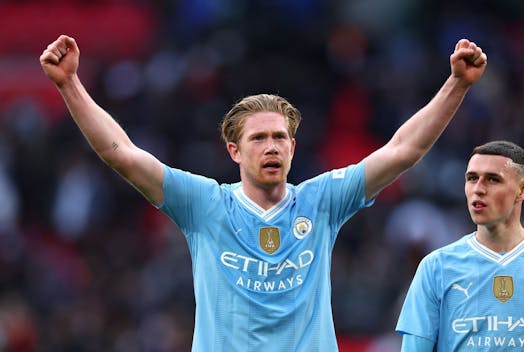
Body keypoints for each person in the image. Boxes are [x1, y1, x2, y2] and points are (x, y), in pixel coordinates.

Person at [40, 34, 486, 351]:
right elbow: (123, 154)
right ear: (234, 150)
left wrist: (457, 84)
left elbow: (403, 150)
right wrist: (69, 84)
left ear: (293, 147)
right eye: (258, 138)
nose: (271, 146)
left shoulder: (321, 200)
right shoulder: (204, 204)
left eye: (279, 137)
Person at [396, 140, 524, 351]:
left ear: (523, 190)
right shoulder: (436, 266)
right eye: (472, 178)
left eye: (492, 179)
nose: (478, 189)